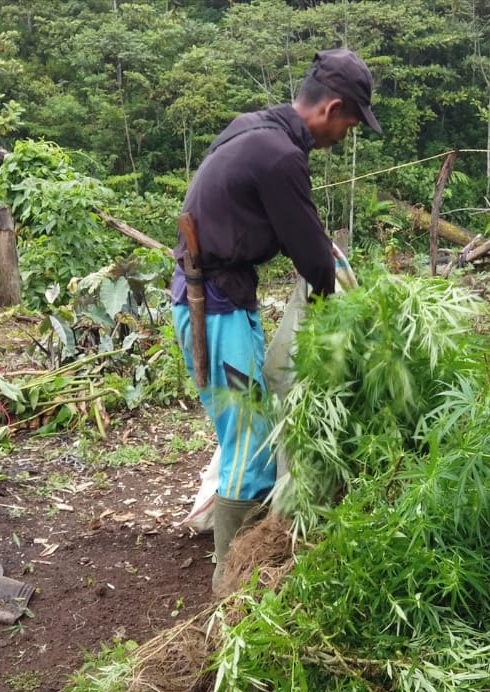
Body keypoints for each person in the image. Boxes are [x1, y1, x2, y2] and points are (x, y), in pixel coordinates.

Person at [170, 49, 381, 592]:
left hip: (218, 301)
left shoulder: (253, 128)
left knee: (251, 433)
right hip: (214, 309)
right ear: (332, 108)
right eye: (350, 124)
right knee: (251, 444)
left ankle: (244, 566)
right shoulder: (280, 155)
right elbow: (312, 254)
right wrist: (338, 321)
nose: (345, 136)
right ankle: (232, 586)